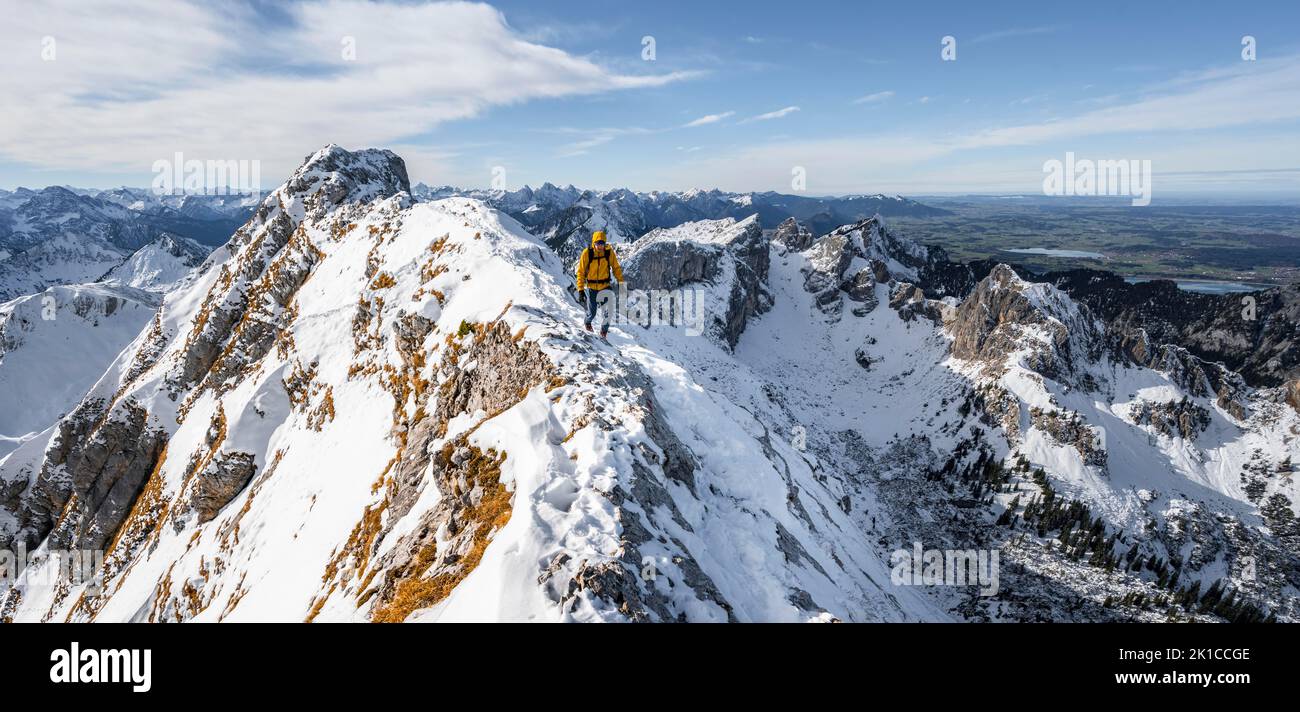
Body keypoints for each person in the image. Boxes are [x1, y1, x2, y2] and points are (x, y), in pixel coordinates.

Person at [575, 230, 623, 339]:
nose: (600, 246)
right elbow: (581, 272)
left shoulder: (608, 252)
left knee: (608, 312)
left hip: (605, 287)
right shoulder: (587, 253)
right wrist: (581, 290)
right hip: (591, 288)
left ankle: (603, 332)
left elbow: (616, 268)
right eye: (598, 244)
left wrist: (621, 282)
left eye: (602, 244)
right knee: (592, 313)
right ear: (594, 243)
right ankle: (587, 322)